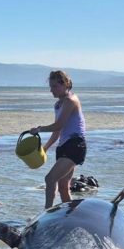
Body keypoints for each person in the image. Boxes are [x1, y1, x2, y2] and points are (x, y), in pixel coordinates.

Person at [28, 70, 86, 209]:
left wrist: (39, 129)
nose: (51, 90)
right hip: (63, 146)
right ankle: (70, 215)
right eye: (50, 86)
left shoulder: (71, 100)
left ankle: (46, 212)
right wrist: (45, 148)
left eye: (54, 86)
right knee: (63, 187)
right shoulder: (58, 104)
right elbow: (57, 131)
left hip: (75, 145)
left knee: (49, 179)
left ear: (65, 84)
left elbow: (59, 125)